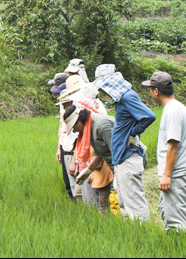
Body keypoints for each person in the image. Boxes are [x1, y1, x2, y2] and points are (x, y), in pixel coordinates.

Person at [94, 64, 156, 222]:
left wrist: (132, 133)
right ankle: (133, 238)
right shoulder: (122, 100)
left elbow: (148, 116)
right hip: (121, 158)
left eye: (104, 88)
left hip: (128, 157)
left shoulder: (128, 97)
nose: (104, 93)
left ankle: (143, 237)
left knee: (135, 206)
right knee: (123, 205)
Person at [142, 72, 186, 232]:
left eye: (150, 89)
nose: (150, 92)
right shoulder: (176, 107)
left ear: (156, 91)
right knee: (167, 212)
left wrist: (166, 175)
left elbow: (173, 145)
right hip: (176, 172)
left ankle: (183, 250)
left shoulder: (172, 111)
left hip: (176, 173)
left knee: (176, 221)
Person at [60, 76, 107, 209]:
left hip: (96, 164)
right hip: (87, 164)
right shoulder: (84, 115)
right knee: (86, 199)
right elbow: (79, 140)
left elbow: (101, 149)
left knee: (97, 203)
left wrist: (89, 169)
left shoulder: (95, 117)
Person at [64, 105, 115, 215]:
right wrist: (88, 170)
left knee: (124, 204)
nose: (74, 130)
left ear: (79, 121)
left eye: (73, 126)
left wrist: (118, 177)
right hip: (116, 167)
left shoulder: (101, 125)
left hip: (124, 165)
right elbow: (100, 152)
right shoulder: (89, 130)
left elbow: (116, 152)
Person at [48, 73, 74, 201]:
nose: (58, 95)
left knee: (75, 178)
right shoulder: (63, 105)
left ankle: (81, 206)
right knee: (67, 178)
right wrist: (59, 148)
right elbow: (61, 128)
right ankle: (73, 203)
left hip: (73, 146)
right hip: (64, 144)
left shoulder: (75, 104)